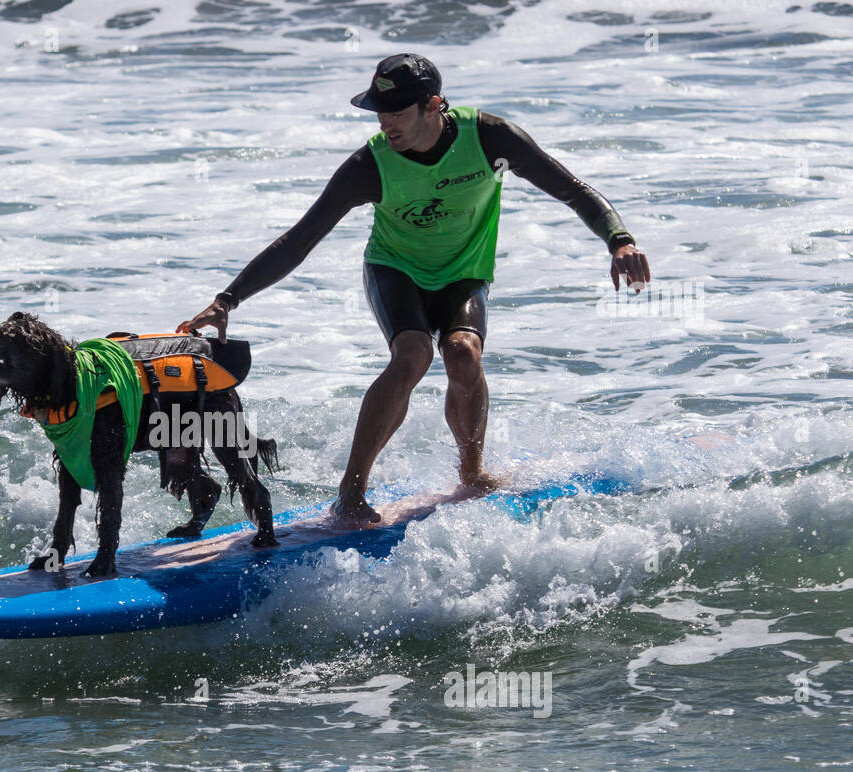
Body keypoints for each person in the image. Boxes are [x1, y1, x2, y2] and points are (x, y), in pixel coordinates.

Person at [178, 54, 652, 520]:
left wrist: (620, 241)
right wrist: (227, 300)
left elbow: (572, 188)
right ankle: (351, 493)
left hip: (464, 272)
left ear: (434, 106)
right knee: (412, 356)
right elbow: (300, 239)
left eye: (398, 112)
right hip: (395, 270)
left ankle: (472, 474)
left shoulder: (489, 139)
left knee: (464, 355)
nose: (386, 123)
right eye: (380, 112)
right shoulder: (371, 166)